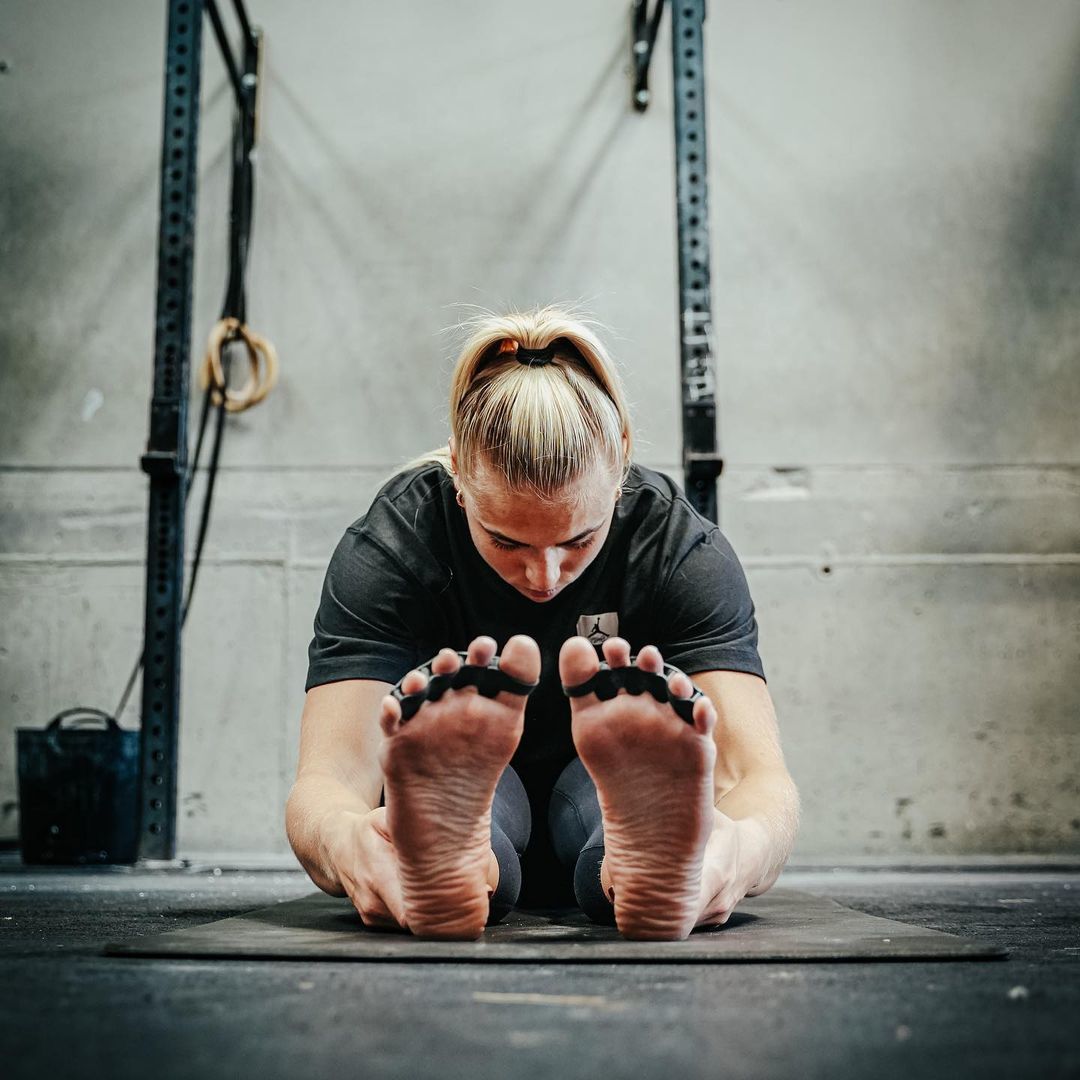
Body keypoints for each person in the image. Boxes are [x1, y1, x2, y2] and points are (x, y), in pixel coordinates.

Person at [285, 306, 800, 941]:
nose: (546, 577)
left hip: (611, 815)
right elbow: (330, 779)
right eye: (507, 542)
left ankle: (648, 858)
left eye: (579, 541)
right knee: (479, 808)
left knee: (605, 799)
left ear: (622, 466)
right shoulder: (395, 546)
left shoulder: (677, 550)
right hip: (459, 817)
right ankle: (451, 858)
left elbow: (756, 778)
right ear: (458, 477)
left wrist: (729, 856)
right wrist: (356, 848)